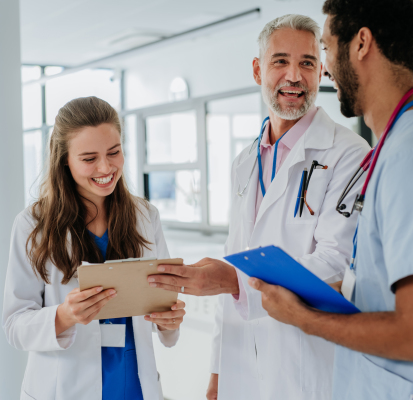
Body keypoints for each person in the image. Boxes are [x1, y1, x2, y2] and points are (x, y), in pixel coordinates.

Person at [249, 1, 413, 399]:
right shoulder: (398, 145)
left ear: (361, 43)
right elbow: (380, 286)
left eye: (327, 50)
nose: (326, 69)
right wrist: (313, 293)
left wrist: (303, 318)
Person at [147, 15, 370, 400]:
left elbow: (336, 263)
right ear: (257, 70)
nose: (294, 76)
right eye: (280, 61)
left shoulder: (349, 154)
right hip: (240, 364)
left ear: (320, 72)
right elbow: (233, 257)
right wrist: (217, 370)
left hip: (305, 363)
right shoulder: (244, 162)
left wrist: (233, 281)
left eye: (307, 63)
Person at [2, 96, 185, 400]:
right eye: (89, 158)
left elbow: (161, 298)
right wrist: (64, 315)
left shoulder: (145, 216)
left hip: (133, 384)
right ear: (64, 160)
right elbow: (14, 324)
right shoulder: (32, 225)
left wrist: (169, 320)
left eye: (114, 152)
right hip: (65, 386)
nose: (106, 167)